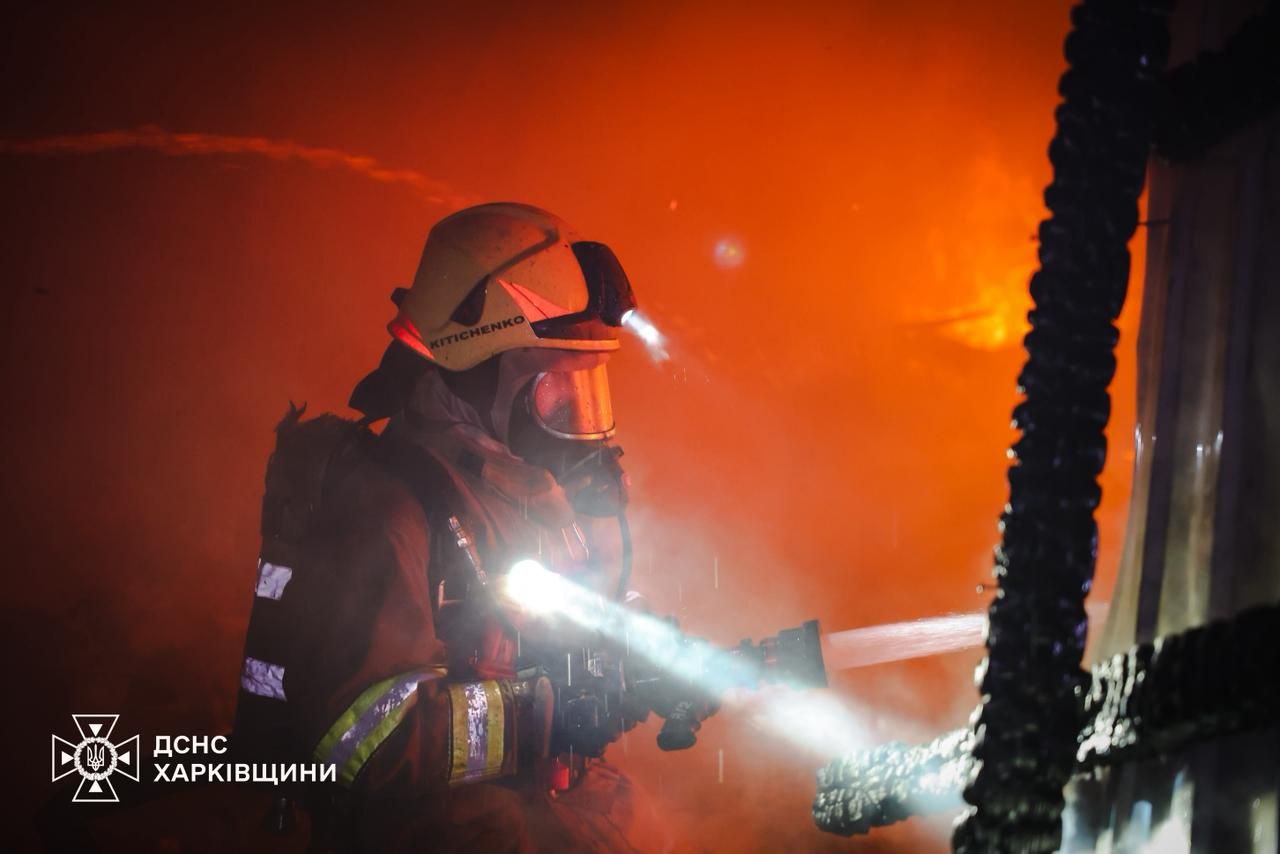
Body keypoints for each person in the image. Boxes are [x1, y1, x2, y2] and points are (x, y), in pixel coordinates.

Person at [231, 202, 667, 852]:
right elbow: (356, 739)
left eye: (590, 388)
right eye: (558, 388)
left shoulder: (514, 489)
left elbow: (552, 628)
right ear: (481, 365)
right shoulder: (387, 506)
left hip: (537, 813)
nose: (581, 416)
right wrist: (547, 713)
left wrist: (644, 656)